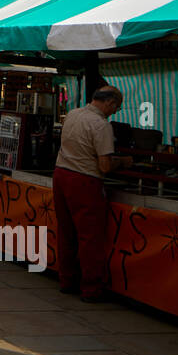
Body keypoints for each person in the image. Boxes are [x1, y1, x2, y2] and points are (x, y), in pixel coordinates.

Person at [52, 85, 133, 302]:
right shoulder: (101, 125)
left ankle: (67, 280)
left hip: (61, 174)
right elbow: (105, 166)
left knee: (66, 232)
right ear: (109, 103)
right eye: (116, 107)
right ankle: (91, 288)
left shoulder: (73, 114)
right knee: (90, 237)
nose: (115, 112)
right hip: (84, 180)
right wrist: (123, 161)